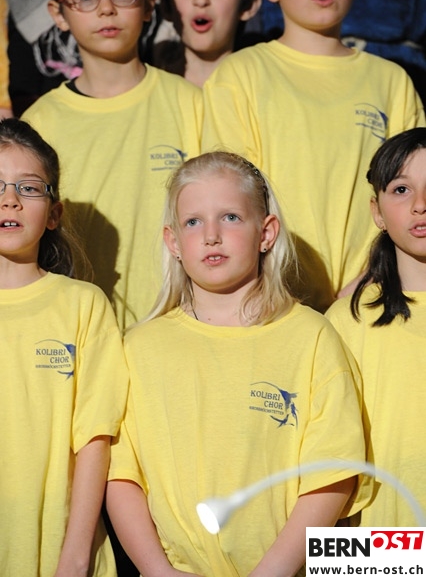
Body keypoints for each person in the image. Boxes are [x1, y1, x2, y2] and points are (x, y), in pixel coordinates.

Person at [106, 151, 369, 577]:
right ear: (173, 242)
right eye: (194, 222)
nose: (211, 236)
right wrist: (157, 571)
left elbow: (333, 474)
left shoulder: (312, 337)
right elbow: (122, 476)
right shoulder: (139, 348)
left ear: (266, 233)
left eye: (230, 217)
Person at [202, 0, 425, 314]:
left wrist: (372, 275)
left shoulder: (391, 82)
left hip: (374, 295)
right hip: (275, 300)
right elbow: (230, 196)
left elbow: (413, 191)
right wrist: (274, 282)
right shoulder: (240, 75)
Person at [22, 0, 203, 331]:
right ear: (58, 13)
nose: (106, 8)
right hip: (76, 331)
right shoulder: (40, 122)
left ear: (149, 3)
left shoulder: (190, 103)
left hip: (177, 325)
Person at [0, 118, 128, 576]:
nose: (10, 199)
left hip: (63, 556)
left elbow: (95, 438)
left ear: (54, 214)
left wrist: (75, 556)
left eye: (28, 188)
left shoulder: (83, 305)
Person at [326, 128, 426, 526]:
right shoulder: (345, 320)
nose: (421, 204)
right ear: (377, 212)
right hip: (379, 544)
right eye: (401, 190)